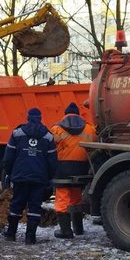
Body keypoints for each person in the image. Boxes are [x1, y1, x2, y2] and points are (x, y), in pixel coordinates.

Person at [2, 108, 57, 244]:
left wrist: (9, 173)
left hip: (20, 176)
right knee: (35, 207)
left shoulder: (16, 134)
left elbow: (8, 158)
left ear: (27, 117)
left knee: (16, 204)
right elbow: (52, 161)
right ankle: (30, 237)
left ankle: (11, 234)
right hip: (39, 178)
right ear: (40, 118)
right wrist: (49, 178)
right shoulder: (48, 136)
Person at [49, 102, 96, 239]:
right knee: (76, 198)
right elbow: (95, 143)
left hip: (62, 168)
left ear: (66, 114)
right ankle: (78, 228)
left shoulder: (57, 129)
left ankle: (65, 231)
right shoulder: (89, 128)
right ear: (78, 114)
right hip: (82, 168)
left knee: (62, 199)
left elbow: (50, 146)